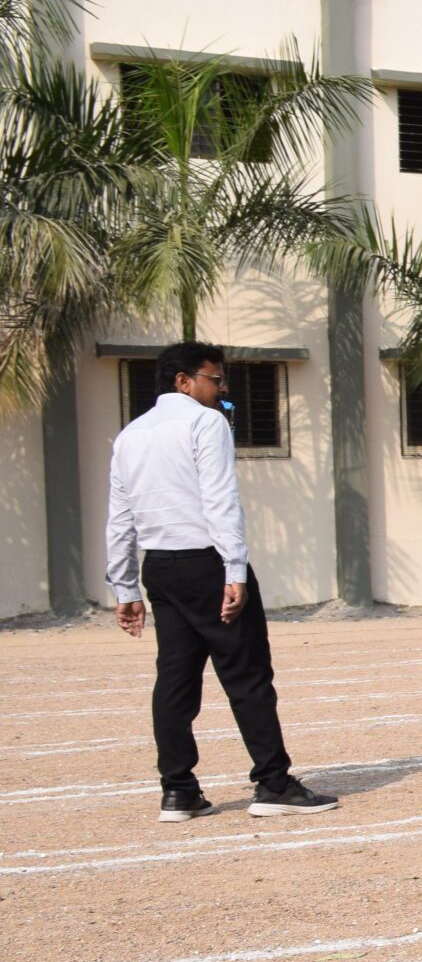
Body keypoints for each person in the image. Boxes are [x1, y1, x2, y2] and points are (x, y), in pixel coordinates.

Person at [105, 340, 337, 820]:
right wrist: (234, 569)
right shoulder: (206, 423)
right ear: (183, 381)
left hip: (161, 569)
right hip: (207, 563)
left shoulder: (130, 435)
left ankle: (178, 790)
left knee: (174, 681)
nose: (222, 388)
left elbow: (120, 517)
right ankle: (273, 784)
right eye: (215, 379)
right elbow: (219, 499)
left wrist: (126, 587)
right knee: (248, 675)